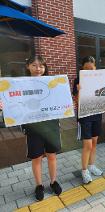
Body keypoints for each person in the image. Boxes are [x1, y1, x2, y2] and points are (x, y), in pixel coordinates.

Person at [23, 56, 62, 201]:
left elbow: (61, 100)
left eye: (41, 66)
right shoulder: (21, 84)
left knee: (52, 155)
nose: (38, 68)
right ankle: (39, 185)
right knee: (36, 157)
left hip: (51, 124)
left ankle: (53, 181)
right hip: (33, 127)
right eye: (34, 65)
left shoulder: (52, 83)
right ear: (28, 66)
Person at [73, 56, 104, 184]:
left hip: (97, 113)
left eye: (91, 68)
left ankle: (91, 166)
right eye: (86, 69)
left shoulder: (101, 79)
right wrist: (79, 91)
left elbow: (104, 96)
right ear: (82, 69)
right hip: (84, 115)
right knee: (88, 145)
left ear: (95, 68)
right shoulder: (77, 80)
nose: (89, 71)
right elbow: (76, 100)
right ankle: (84, 170)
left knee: (94, 142)